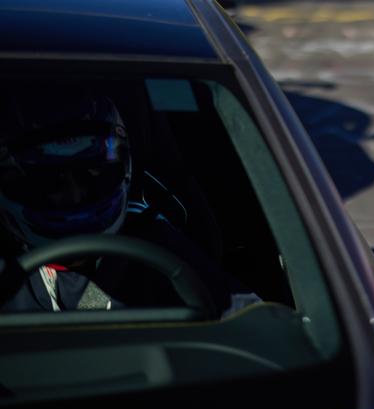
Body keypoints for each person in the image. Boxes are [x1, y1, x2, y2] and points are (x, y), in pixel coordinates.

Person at [0, 87, 256, 315]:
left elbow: (252, 320)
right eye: (50, 182)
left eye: (92, 174)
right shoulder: (6, 262)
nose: (75, 195)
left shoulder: (156, 248)